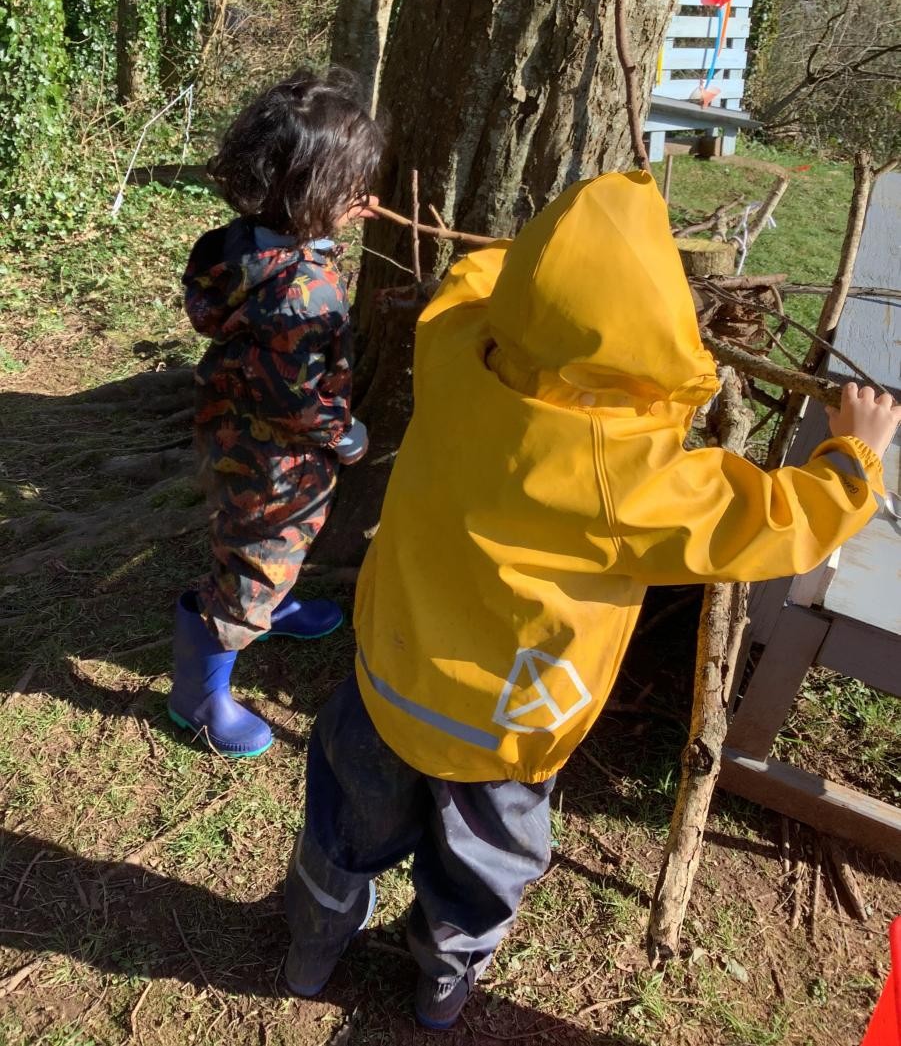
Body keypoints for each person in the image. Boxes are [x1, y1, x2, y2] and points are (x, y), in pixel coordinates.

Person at [282, 171, 899, 1028]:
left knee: (342, 828)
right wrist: (852, 461)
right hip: (508, 726)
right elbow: (773, 523)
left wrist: (534, 262)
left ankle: (310, 949)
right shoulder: (637, 476)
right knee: (483, 867)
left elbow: (468, 282)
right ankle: (440, 988)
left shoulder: (452, 353)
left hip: (388, 680)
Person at [167, 69, 384, 759]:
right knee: (255, 562)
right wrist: (344, 433)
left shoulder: (244, 247)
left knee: (262, 542)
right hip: (276, 458)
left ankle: (273, 603)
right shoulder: (302, 291)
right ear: (313, 192)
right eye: (352, 185)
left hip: (231, 430)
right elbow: (295, 396)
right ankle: (198, 693)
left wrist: (327, 230)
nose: (363, 196)